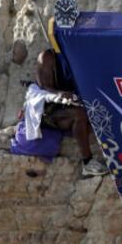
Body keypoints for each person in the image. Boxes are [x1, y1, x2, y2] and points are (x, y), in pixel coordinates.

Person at [36, 49, 108, 177]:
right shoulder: (47, 57)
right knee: (80, 115)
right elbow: (44, 89)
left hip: (74, 103)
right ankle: (87, 162)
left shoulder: (83, 54)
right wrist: (61, 94)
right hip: (51, 110)